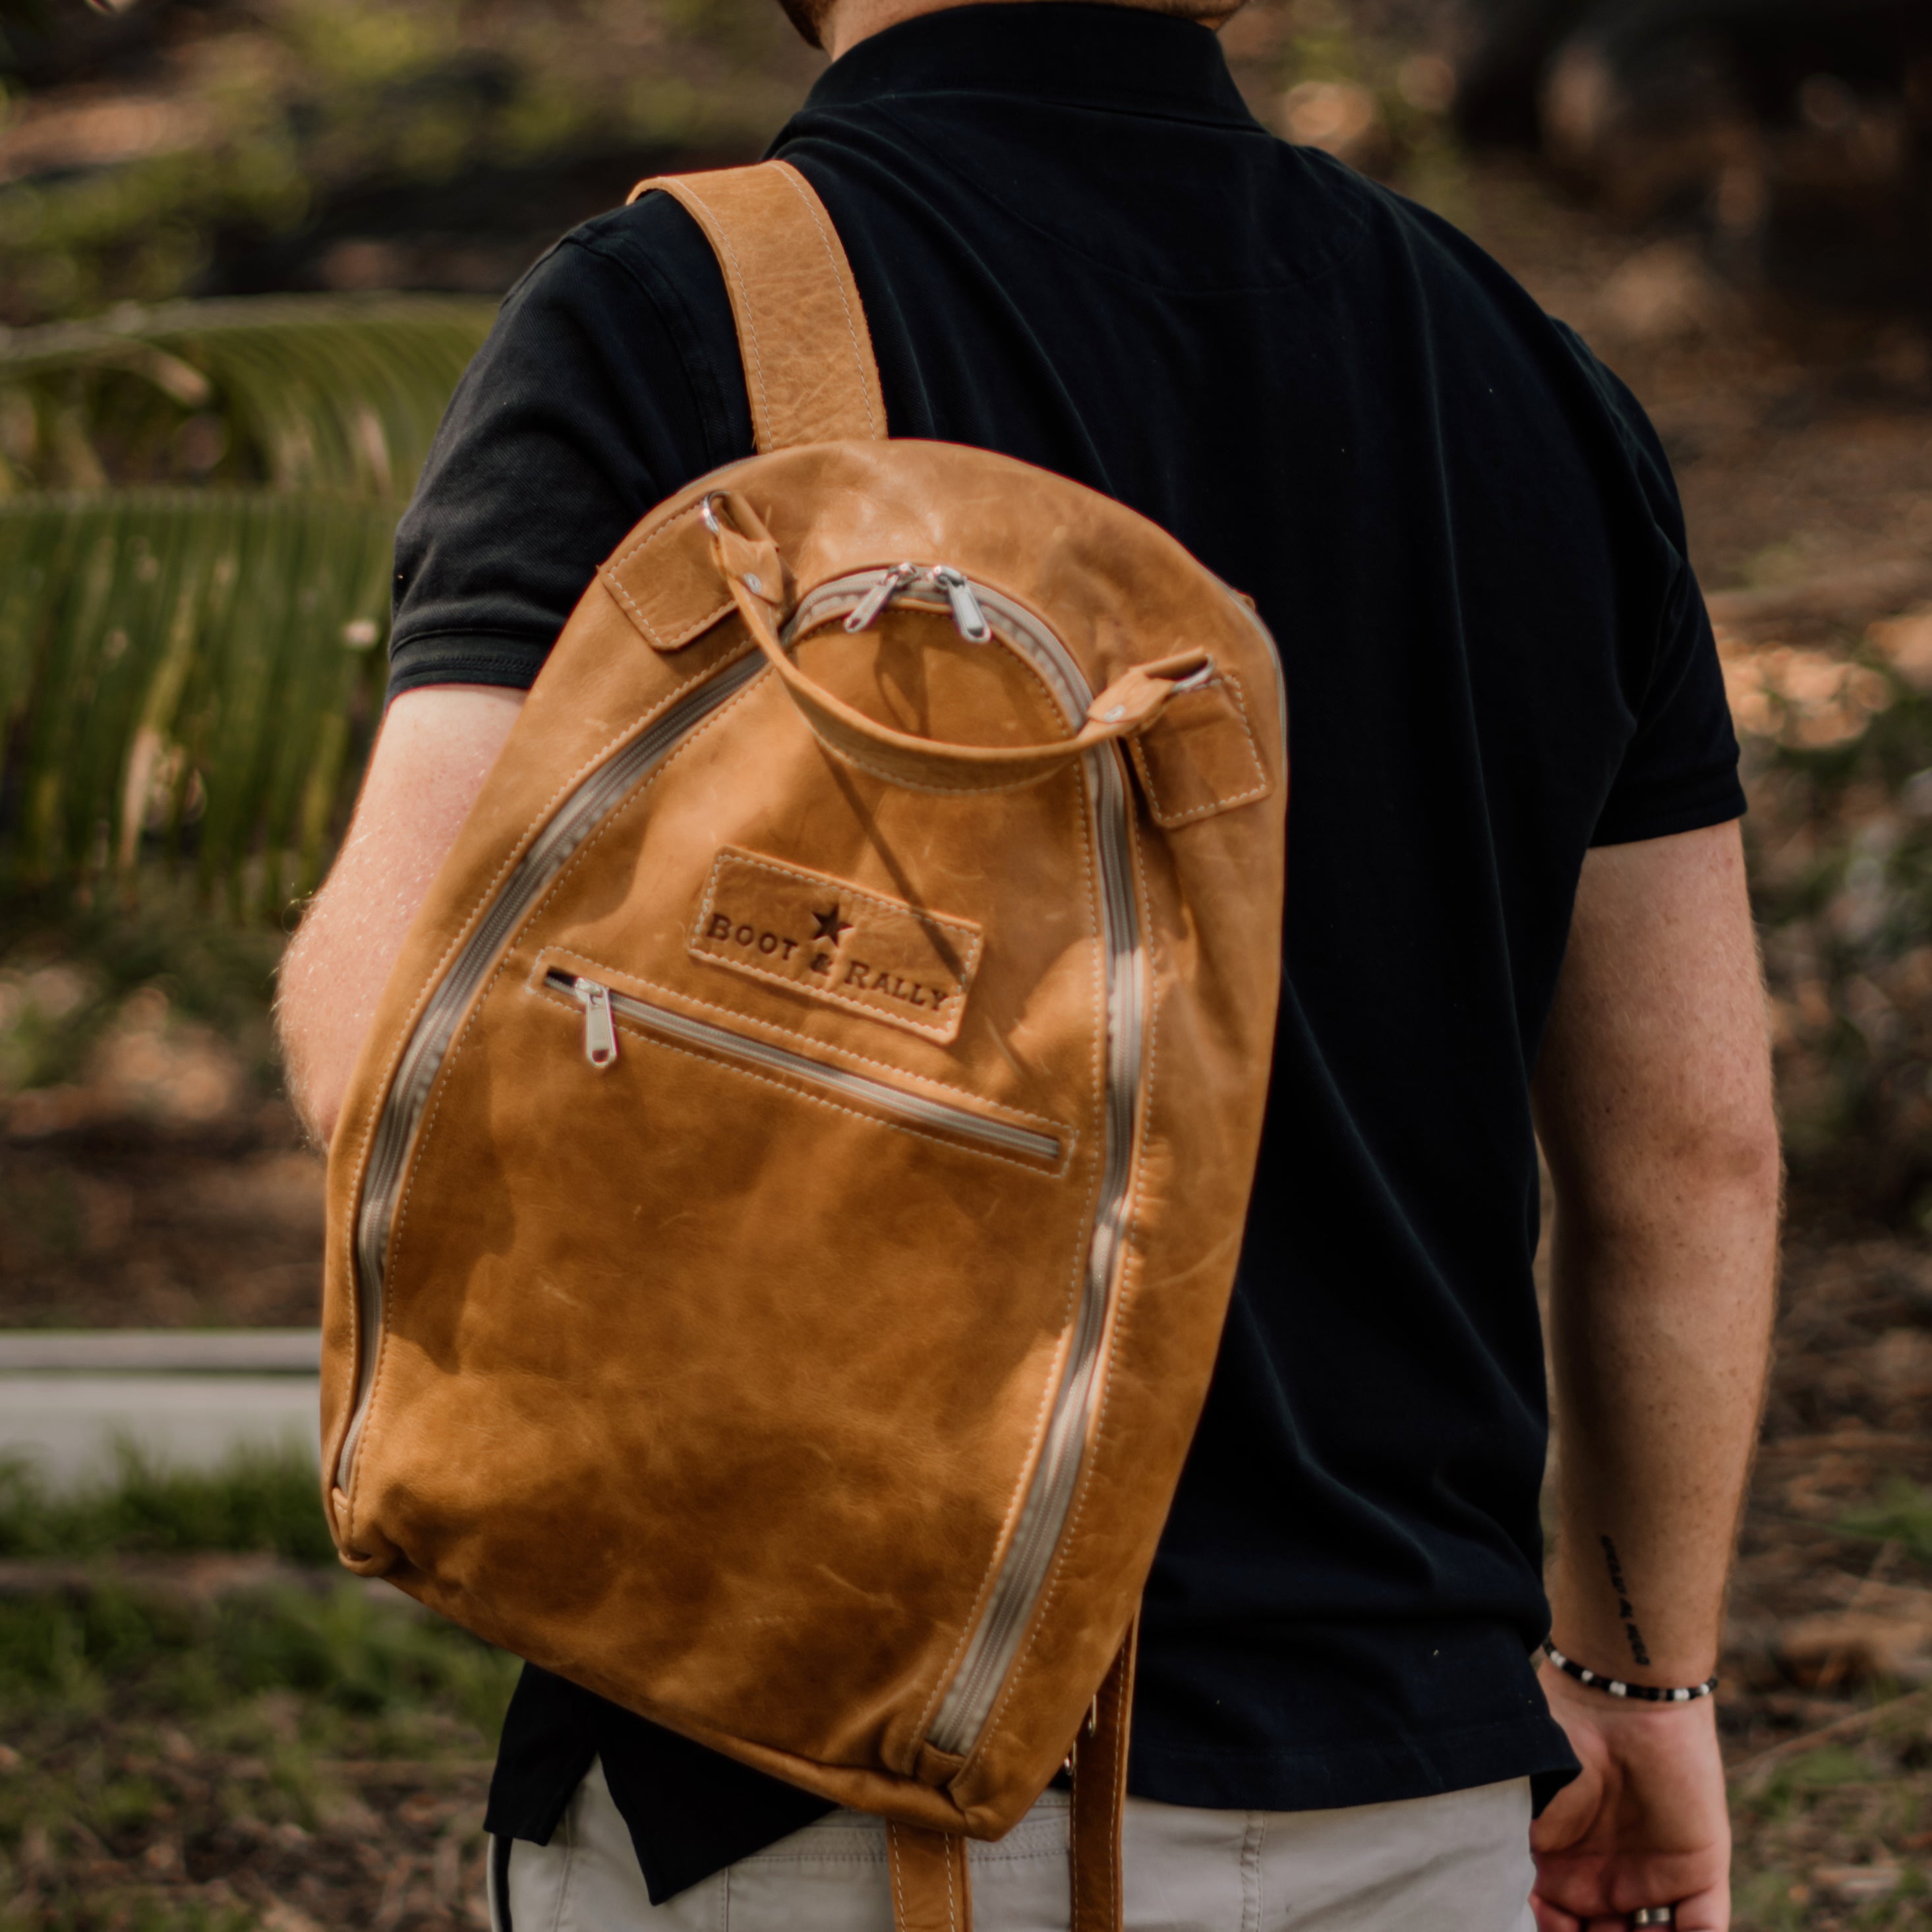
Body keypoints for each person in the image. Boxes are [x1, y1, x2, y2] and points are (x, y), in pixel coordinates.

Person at [276, 0, 1782, 1925]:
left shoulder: (673, 313)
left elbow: (395, 1031)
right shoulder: (1530, 383)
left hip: (800, 1772)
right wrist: (1642, 1676)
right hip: (1412, 1793)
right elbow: (1686, 1157)